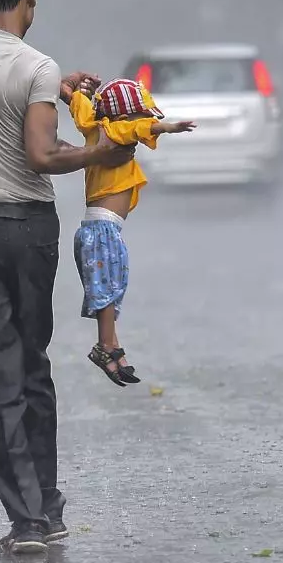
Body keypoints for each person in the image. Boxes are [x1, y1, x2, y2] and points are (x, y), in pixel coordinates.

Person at [0, 0, 134, 555]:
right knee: (31, 365)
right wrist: (100, 152)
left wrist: (52, 86)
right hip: (30, 232)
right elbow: (42, 156)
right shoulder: (40, 67)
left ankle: (27, 522)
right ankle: (48, 504)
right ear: (30, 1)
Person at [68, 78, 194, 385]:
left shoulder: (93, 127)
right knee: (106, 292)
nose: (148, 122)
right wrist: (167, 129)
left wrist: (71, 92)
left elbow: (81, 109)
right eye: (142, 116)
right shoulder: (114, 132)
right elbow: (137, 129)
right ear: (124, 118)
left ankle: (112, 346)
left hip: (103, 229)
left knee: (111, 289)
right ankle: (105, 347)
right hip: (102, 230)